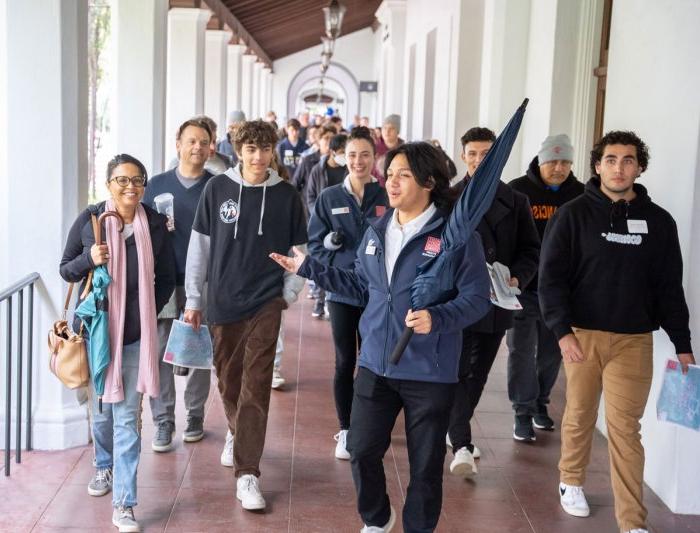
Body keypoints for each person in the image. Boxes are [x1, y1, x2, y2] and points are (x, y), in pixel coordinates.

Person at [270, 142, 490, 533]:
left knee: (425, 467)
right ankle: (377, 518)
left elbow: (477, 299)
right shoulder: (376, 230)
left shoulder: (455, 237)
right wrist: (310, 268)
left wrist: (438, 318)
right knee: (360, 449)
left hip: (430, 369)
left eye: (402, 175)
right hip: (376, 362)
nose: (391, 182)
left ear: (428, 181)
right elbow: (361, 287)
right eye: (389, 174)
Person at [538, 131, 694, 533]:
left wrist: (683, 344)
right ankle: (571, 480)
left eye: (628, 160)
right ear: (597, 165)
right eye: (611, 159)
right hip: (582, 335)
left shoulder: (659, 222)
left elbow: (668, 287)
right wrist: (562, 332)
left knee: (626, 428)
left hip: (633, 340)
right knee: (580, 414)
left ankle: (632, 522)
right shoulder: (572, 215)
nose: (619, 167)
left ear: (639, 167)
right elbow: (551, 279)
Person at [184, 120, 307, 511]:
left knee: (256, 383)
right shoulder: (216, 189)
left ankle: (247, 474)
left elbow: (300, 249)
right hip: (222, 301)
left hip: (266, 301)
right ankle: (238, 432)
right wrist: (193, 299)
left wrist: (287, 294)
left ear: (273, 151)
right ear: (238, 150)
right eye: (250, 149)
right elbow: (199, 247)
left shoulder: (288, 195)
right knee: (229, 380)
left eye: (264, 149)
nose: (258, 156)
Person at [60, 154, 175, 532]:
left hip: (133, 338)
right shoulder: (91, 220)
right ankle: (103, 466)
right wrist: (89, 259)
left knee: (127, 418)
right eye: (122, 180)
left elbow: (168, 277)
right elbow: (65, 269)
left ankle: (124, 504)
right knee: (103, 413)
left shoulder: (156, 224)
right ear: (109, 184)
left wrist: (145, 312)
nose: (131, 187)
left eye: (137, 180)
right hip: (95, 335)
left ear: (144, 185)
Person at [446, 127, 540, 477]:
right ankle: (461, 443)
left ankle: (455, 426)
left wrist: (518, 277)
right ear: (463, 156)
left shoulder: (516, 201)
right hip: (458, 299)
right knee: (458, 370)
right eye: (473, 153)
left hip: (498, 299)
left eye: (487, 154)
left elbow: (532, 249)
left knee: (480, 372)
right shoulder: (449, 199)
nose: (480, 160)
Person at [307, 126, 389, 460]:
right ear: (343, 157)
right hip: (341, 294)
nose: (358, 161)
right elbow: (315, 245)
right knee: (345, 361)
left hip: (376, 295)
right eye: (352, 155)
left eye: (365, 155)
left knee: (372, 363)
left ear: (375, 158)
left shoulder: (386, 197)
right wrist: (340, 263)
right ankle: (345, 428)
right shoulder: (329, 198)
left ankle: (367, 426)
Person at [142, 118, 215, 452]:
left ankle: (196, 414)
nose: (197, 147)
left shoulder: (218, 187)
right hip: (163, 280)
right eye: (191, 141)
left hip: (204, 280)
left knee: (199, 350)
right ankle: (163, 420)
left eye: (203, 141)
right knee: (159, 352)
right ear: (178, 144)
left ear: (211, 145)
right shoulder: (156, 185)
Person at [507, 134, 584, 440]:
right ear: (540, 160)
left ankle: (540, 402)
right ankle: (522, 410)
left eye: (565, 161)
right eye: (553, 161)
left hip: (561, 292)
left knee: (552, 352)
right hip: (523, 287)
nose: (559, 168)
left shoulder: (580, 195)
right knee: (522, 350)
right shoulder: (517, 191)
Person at [306, 133, 349, 319]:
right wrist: (319, 215)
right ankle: (320, 299)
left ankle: (336, 298)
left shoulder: (348, 169)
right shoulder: (318, 169)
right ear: (331, 152)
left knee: (339, 262)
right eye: (341, 153)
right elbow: (310, 196)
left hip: (342, 225)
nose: (344, 157)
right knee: (322, 261)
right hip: (323, 223)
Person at [292, 125, 336, 196]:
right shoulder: (307, 160)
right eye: (326, 138)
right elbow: (295, 184)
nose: (329, 141)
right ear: (319, 140)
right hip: (309, 204)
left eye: (332, 138)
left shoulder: (338, 163)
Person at [374, 114, 404, 185]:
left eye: (392, 128)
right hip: (377, 190)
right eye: (384, 128)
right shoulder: (373, 149)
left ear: (397, 131)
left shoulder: (405, 149)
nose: (387, 131)